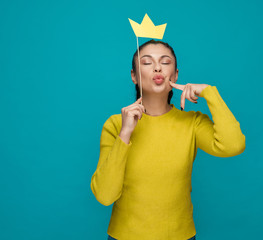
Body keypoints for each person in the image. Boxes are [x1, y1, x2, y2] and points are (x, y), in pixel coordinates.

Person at [90, 39, 246, 240]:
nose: (157, 67)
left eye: (165, 62)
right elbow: (104, 196)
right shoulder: (115, 124)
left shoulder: (192, 122)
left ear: (176, 74)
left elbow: (234, 145)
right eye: (146, 63)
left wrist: (209, 92)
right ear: (134, 76)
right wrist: (125, 133)